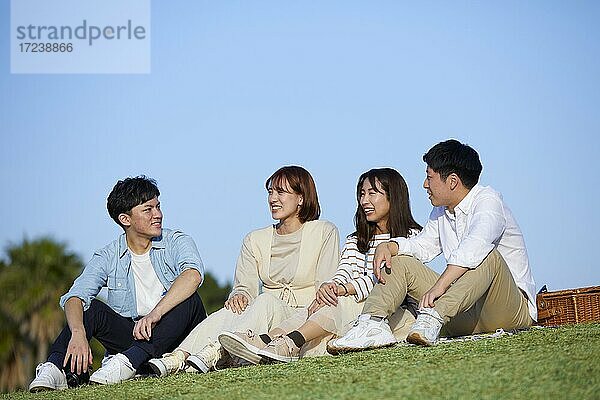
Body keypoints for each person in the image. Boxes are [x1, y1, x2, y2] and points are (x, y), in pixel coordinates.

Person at [328, 139, 536, 352]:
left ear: (452, 181)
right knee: (401, 261)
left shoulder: (489, 201)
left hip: (505, 310)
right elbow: (422, 246)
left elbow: (475, 246)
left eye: (429, 177)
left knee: (487, 254)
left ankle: (433, 316)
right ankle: (371, 325)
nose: (425, 185)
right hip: (462, 312)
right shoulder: (441, 212)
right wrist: (390, 247)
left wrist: (440, 286)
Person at [148, 166, 339, 376]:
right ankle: (179, 356)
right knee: (235, 308)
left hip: (304, 318)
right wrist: (239, 295)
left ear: (301, 198)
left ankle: (216, 351)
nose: (272, 199)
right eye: (270, 192)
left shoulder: (324, 231)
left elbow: (325, 286)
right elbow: (245, 287)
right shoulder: (254, 239)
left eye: (280, 192)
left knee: (265, 301)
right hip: (267, 318)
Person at [217, 168, 422, 363]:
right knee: (325, 302)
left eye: (372, 193)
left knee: (338, 302)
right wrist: (331, 286)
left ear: (393, 197)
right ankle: (267, 341)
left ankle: (287, 342)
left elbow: (384, 279)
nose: (364, 201)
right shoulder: (356, 240)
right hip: (353, 309)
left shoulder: (409, 238)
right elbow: (345, 269)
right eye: (362, 194)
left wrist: (342, 290)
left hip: (391, 313)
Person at [28, 176, 207, 392]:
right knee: (90, 309)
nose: (158, 215)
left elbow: (192, 275)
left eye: (158, 207)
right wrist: (78, 332)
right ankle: (55, 368)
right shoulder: (108, 255)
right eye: (148, 209)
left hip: (178, 336)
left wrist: (155, 313)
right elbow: (74, 297)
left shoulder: (176, 241)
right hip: (137, 336)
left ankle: (130, 362)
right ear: (125, 219)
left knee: (189, 299)